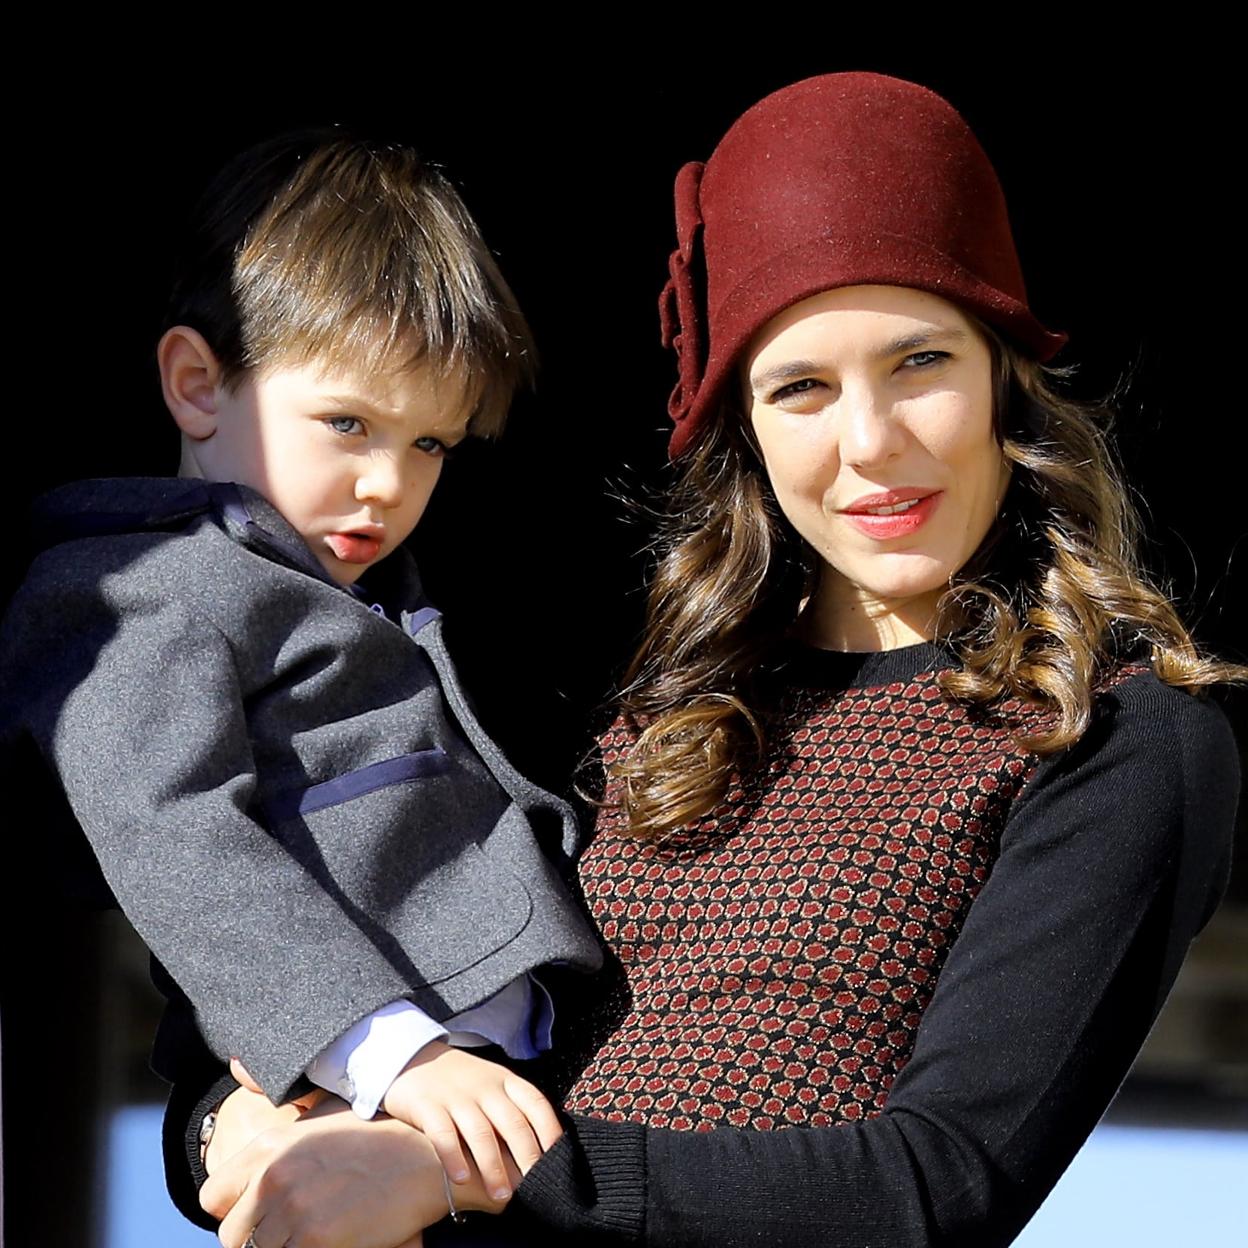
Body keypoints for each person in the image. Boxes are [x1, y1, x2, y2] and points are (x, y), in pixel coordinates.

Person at [176, 74, 1241, 1247]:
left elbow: (940, 1186)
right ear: (745, 423)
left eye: (921, 363)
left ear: (1003, 381)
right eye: (801, 388)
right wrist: (229, 1124)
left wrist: (470, 1175)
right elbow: (334, 947)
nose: (870, 442)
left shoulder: (1108, 733)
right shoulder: (656, 710)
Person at [0, 130, 605, 1212]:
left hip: (518, 1082)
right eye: (347, 423)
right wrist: (387, 1051)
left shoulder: (383, 587)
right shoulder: (142, 591)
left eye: (431, 445)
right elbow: (171, 834)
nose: (387, 483)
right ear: (196, 385)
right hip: (356, 1082)